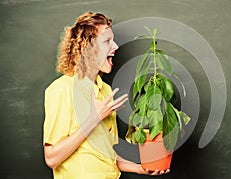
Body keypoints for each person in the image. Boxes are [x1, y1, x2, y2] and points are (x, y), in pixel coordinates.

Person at [43, 12, 170, 179]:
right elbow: (51, 158)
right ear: (86, 48)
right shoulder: (61, 89)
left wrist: (139, 168)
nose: (116, 46)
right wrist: (94, 118)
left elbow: (106, 154)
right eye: (107, 41)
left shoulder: (106, 91)